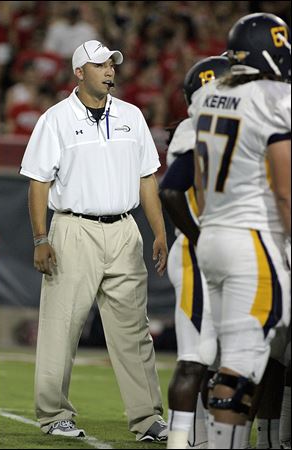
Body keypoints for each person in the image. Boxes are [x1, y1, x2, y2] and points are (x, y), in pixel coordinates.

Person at [19, 39, 169, 441]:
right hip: (73, 229)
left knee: (133, 331)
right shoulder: (55, 119)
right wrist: (40, 238)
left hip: (124, 229)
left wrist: (158, 230)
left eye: (112, 64)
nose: (109, 71)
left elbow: (147, 178)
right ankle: (53, 416)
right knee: (60, 327)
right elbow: (39, 182)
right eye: (100, 64)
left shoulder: (132, 116)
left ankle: (148, 418)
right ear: (79, 72)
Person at [188, 13, 291, 449]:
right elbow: (286, 191)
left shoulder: (209, 93)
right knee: (246, 363)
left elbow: (197, 179)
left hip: (212, 235)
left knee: (230, 359)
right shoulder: (275, 98)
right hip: (253, 239)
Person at [159, 56, 231, 449]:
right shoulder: (195, 126)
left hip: (224, 249)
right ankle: (182, 441)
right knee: (198, 355)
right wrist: (202, 237)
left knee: (224, 359)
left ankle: (205, 441)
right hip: (197, 250)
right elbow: (170, 190)